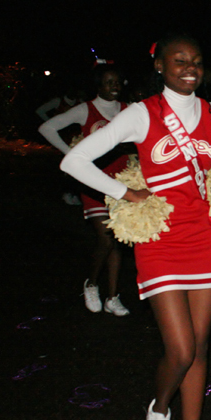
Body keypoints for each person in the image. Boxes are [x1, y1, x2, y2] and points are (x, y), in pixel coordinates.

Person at [61, 33, 211, 420]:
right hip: (160, 240)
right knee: (179, 350)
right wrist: (125, 191)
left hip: (201, 239)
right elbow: (74, 161)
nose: (189, 67)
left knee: (200, 346)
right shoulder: (141, 114)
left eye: (196, 60)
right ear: (160, 65)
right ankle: (159, 410)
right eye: (179, 60)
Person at [39, 65, 131, 316]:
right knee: (106, 238)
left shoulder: (128, 110)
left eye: (118, 82)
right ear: (98, 85)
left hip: (123, 183)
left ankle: (112, 297)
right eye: (109, 82)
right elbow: (46, 128)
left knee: (118, 241)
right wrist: (73, 156)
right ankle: (91, 283)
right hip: (93, 182)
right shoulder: (85, 109)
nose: (115, 86)